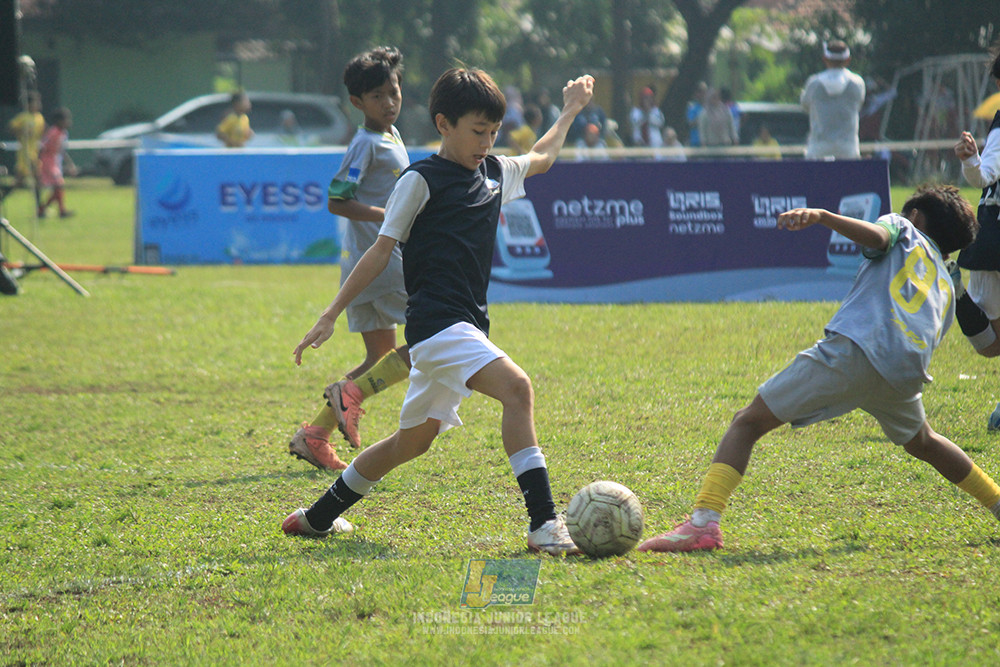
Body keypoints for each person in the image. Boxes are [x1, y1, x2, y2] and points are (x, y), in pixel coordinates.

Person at [282, 68, 596, 556]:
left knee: (410, 444)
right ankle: (544, 523)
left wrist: (571, 108)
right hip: (436, 326)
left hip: (463, 326)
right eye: (477, 131)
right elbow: (381, 249)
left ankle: (316, 517)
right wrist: (330, 313)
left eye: (493, 132)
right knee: (518, 389)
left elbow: (543, 157)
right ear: (443, 123)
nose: (486, 143)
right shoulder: (420, 180)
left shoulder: (493, 172)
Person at [639, 184, 1000, 553]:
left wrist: (824, 216)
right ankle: (997, 503)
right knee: (924, 441)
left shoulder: (902, 227)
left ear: (916, 217)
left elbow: (878, 235)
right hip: (905, 373)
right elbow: (977, 342)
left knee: (747, 422)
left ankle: (703, 524)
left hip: (857, 350)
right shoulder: (943, 278)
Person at [288, 46, 411, 470]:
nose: (389, 102)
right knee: (433, 339)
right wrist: (390, 216)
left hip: (368, 261)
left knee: (380, 360)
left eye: (393, 91)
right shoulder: (366, 142)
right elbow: (338, 200)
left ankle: (315, 435)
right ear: (357, 103)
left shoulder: (389, 136)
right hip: (382, 262)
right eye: (377, 96)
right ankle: (342, 402)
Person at [950, 43, 1000, 428]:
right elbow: (983, 176)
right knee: (991, 345)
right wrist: (970, 158)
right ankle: (957, 291)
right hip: (995, 236)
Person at [800, 40, 866, 160]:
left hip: (818, 148)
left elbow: (805, 106)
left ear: (825, 59)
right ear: (848, 60)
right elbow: (859, 105)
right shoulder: (857, 83)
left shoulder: (813, 83)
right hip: (848, 148)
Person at [36, 107, 77, 219]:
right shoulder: (53, 132)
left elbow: (61, 150)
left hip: (54, 161)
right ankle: (58, 210)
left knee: (58, 187)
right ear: (59, 121)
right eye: (66, 120)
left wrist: (69, 163)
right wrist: (38, 162)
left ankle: (44, 209)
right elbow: (42, 146)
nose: (69, 122)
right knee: (58, 185)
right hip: (47, 162)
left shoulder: (63, 133)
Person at [7, 91, 44, 196]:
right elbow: (11, 128)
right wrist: (21, 131)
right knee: (36, 178)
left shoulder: (39, 117)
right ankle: (40, 208)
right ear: (28, 104)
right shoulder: (23, 117)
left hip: (34, 152)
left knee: (23, 181)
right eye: (36, 102)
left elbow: (41, 133)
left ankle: (40, 207)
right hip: (25, 153)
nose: (38, 104)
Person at [686, 81, 708, 147]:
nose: (703, 94)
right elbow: (691, 123)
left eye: (705, 91)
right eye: (700, 92)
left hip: (709, 141)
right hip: (696, 141)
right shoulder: (692, 107)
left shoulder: (710, 107)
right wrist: (701, 119)